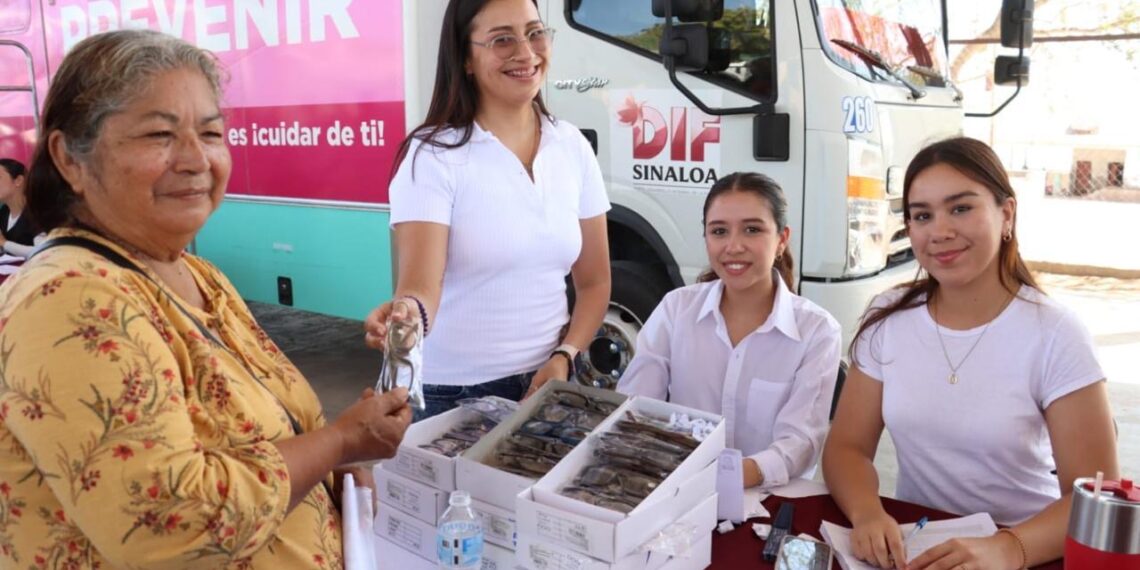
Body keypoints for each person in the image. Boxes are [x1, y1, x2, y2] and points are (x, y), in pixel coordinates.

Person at [0, 30, 413, 568]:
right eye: (159, 134)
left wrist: (333, 467)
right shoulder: (67, 300)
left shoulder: (192, 271)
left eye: (211, 132)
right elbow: (176, 527)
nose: (196, 159)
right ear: (70, 159)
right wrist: (339, 443)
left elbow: (272, 430)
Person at [823, 137, 1119, 570]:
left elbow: (1095, 494)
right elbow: (846, 447)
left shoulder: (1055, 333)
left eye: (961, 208)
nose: (940, 231)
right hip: (920, 545)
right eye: (922, 215)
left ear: (1007, 215)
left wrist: (1008, 548)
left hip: (1026, 547)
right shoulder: (887, 318)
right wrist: (868, 512)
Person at [364, 0, 611, 420]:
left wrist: (565, 355)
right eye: (502, 40)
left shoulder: (572, 146)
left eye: (535, 33)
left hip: (547, 382)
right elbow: (421, 289)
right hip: (451, 395)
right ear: (465, 59)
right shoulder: (432, 156)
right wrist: (404, 316)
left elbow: (594, 282)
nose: (526, 53)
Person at [617, 172, 841, 489]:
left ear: (782, 239)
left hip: (768, 498)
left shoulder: (817, 331)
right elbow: (635, 407)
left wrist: (721, 479)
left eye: (752, 229)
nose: (733, 246)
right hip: (676, 489)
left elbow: (800, 443)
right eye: (719, 231)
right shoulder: (676, 309)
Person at [0, 158, 45, 257]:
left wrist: (4, 243)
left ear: (18, 180)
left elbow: (43, 251)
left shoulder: (37, 211)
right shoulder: (4, 212)